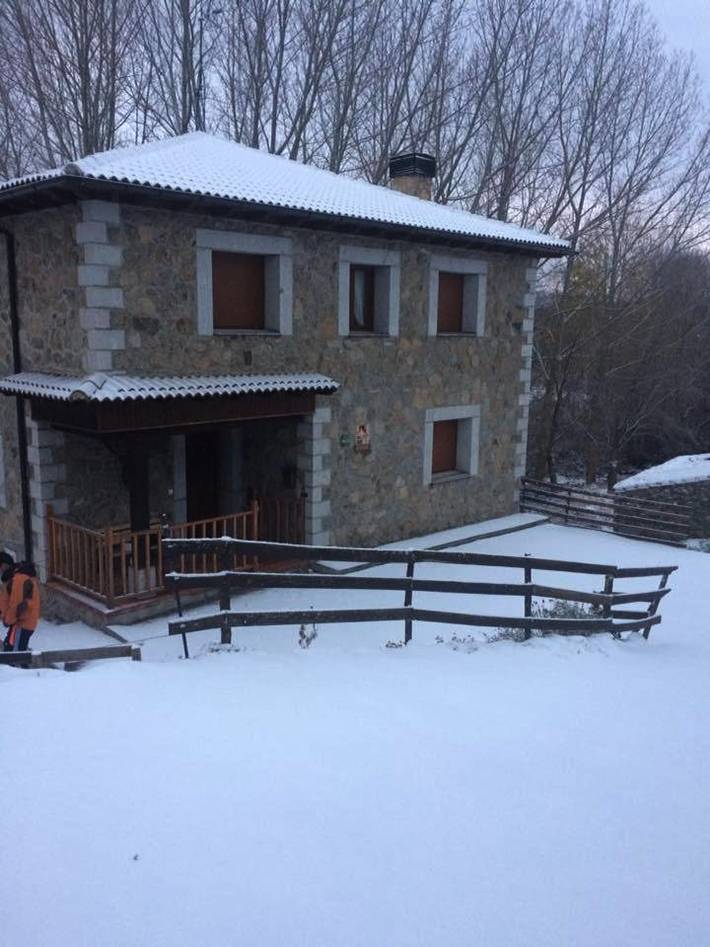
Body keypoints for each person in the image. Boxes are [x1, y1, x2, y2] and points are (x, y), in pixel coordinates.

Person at [3, 559, 40, 654]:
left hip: (21, 623)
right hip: (23, 622)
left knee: (15, 655)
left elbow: (15, 603)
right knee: (13, 651)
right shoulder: (24, 577)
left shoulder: (19, 579)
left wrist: (8, 620)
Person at [0, 552, 14, 626]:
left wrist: (8, 618)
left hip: (14, 619)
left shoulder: (12, 579)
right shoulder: (5, 578)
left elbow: (14, 601)